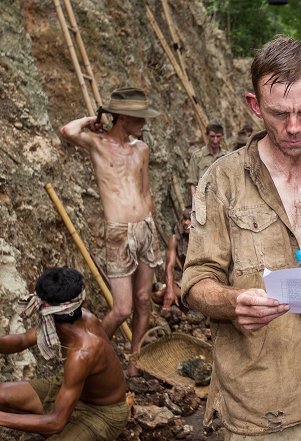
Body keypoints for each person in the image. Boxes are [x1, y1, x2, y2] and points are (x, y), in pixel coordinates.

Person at [181, 35, 301, 440]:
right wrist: (233, 302)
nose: (294, 127)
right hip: (260, 406)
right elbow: (196, 282)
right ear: (254, 105)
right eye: (278, 113)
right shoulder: (223, 180)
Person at [60, 87, 162, 377]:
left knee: (144, 300)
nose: (143, 123)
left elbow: (146, 191)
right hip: (118, 232)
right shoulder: (98, 143)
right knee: (122, 310)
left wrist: (151, 225)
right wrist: (96, 117)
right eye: (137, 117)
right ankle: (88, 356)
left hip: (145, 228)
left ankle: (134, 362)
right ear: (121, 117)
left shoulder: (141, 148)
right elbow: (67, 130)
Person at [0, 267, 129, 440]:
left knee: (54, 425)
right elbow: (22, 340)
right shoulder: (77, 317)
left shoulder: (82, 353)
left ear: (47, 311)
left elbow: (56, 422)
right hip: (71, 387)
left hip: (102, 412)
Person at [152, 208, 191, 315]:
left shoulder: (203, 238)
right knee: (160, 296)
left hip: (202, 278)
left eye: (189, 219)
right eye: (184, 219)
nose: (186, 222)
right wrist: (169, 290)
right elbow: (170, 267)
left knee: (159, 295)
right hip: (185, 280)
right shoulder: (175, 239)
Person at [187, 120, 228, 201]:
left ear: (222, 136)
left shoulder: (227, 157)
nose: (215, 140)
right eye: (212, 136)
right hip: (203, 201)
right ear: (206, 135)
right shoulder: (197, 156)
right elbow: (192, 183)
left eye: (218, 136)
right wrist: (195, 205)